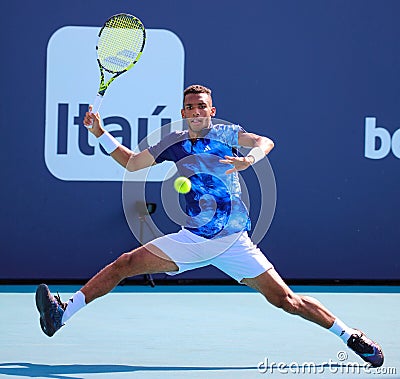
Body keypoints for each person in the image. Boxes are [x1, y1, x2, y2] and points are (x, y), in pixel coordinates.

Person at [35, 84, 384, 367]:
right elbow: (132, 163)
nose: (196, 110)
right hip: (192, 239)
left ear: (211, 111)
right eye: (190, 106)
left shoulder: (229, 133)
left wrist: (250, 159)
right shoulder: (172, 143)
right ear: (183, 112)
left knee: (286, 300)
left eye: (202, 105)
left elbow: (265, 141)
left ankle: (349, 335)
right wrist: (99, 132)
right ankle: (62, 314)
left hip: (234, 240)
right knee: (125, 263)